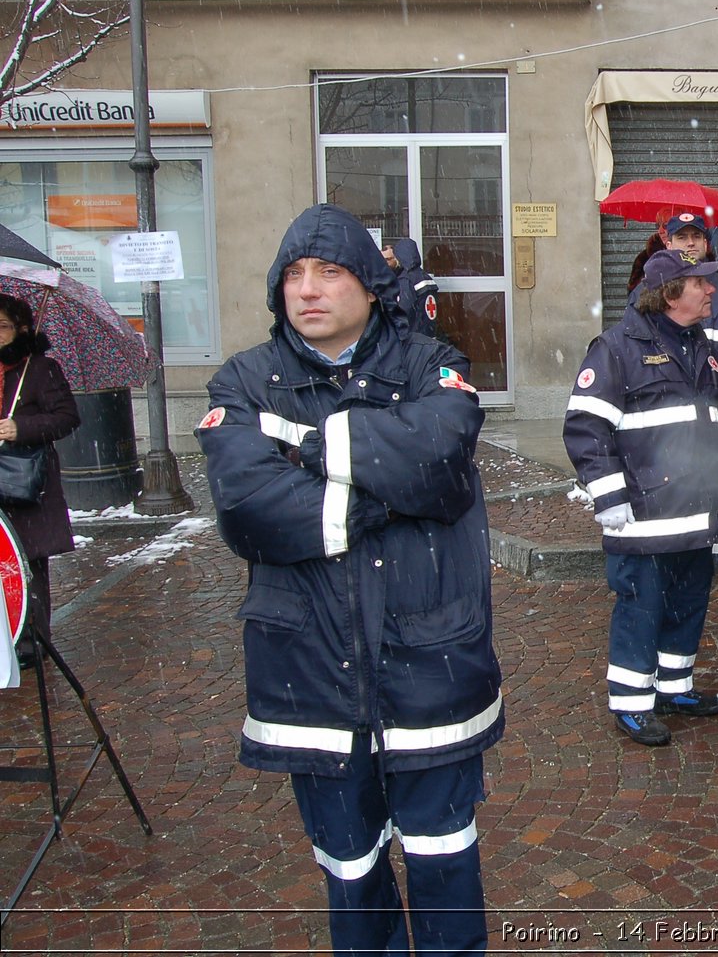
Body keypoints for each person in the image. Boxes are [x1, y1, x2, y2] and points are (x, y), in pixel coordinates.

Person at [196, 203, 503, 955]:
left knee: (443, 858)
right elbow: (248, 508)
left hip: (432, 658)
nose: (309, 290)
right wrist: (380, 487)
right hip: (311, 672)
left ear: (368, 284)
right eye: (294, 274)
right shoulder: (242, 381)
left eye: (329, 272)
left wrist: (307, 448)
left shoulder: (433, 365)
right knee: (350, 866)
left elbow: (440, 450)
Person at [565, 245, 718, 747]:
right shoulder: (616, 349)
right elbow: (584, 428)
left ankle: (674, 686)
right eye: (699, 283)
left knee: (688, 603)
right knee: (641, 610)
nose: (710, 290)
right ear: (669, 295)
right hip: (643, 520)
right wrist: (608, 495)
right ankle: (632, 702)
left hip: (696, 513)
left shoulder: (702, 347)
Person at [625, 215, 718, 592]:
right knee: (679, 481)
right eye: (681, 237)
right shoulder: (648, 291)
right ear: (667, 241)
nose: (689, 244)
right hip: (677, 411)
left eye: (696, 237)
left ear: (707, 243)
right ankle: (686, 553)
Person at [0, 295, 79, 670]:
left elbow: (66, 417)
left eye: (1, 327)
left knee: (25, 563)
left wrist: (21, 428)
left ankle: (30, 641)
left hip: (25, 484)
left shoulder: (40, 369)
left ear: (22, 328)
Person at [381, 237, 440, 339]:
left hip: (414, 338)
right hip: (428, 335)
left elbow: (403, 310)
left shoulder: (407, 279)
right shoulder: (425, 277)